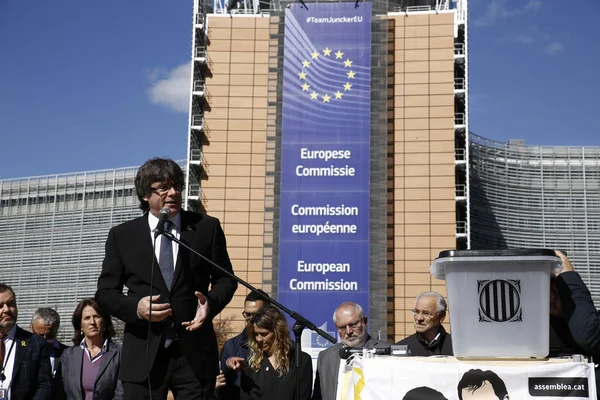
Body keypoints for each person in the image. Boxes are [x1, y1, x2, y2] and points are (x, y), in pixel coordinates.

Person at [96, 157, 237, 400]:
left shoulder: (206, 227)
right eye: (163, 187)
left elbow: (226, 279)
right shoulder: (123, 236)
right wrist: (137, 308)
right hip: (143, 352)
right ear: (145, 195)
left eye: (176, 186)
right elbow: (105, 293)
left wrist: (210, 305)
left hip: (194, 354)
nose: (172, 193)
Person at [226, 305, 312, 400]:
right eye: (255, 334)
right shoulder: (251, 363)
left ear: (278, 332)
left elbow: (304, 396)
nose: (258, 339)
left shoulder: (301, 361)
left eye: (264, 334)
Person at [312, 302, 389, 400]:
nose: (348, 332)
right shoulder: (325, 357)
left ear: (365, 321)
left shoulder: (386, 351)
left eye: (353, 325)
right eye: (342, 328)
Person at [550, 250, 600, 398]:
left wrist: (567, 275)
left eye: (557, 289)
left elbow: (588, 334)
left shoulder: (590, 323)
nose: (552, 296)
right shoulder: (542, 332)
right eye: (546, 289)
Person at [57, 298, 123, 400]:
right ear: (81, 326)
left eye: (96, 316)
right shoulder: (68, 355)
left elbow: (121, 394)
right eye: (87, 318)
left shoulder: (119, 354)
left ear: (105, 322)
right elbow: (60, 392)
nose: (92, 322)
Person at [0, 283, 53, 400]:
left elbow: (45, 386)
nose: (6, 310)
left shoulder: (35, 343)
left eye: (10, 304)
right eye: (0, 306)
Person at [218, 290, 270, 400]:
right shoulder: (231, 346)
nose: (251, 319)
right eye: (247, 314)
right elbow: (223, 384)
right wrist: (228, 364)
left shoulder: (282, 347)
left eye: (256, 314)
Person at [395, 291, 453, 356]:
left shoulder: (456, 348)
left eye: (426, 313)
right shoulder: (400, 349)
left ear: (441, 316)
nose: (419, 318)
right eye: (416, 312)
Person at [30, 307, 68, 377]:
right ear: (31, 328)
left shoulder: (68, 354)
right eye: (40, 335)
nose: (44, 341)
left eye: (49, 336)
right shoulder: (22, 350)